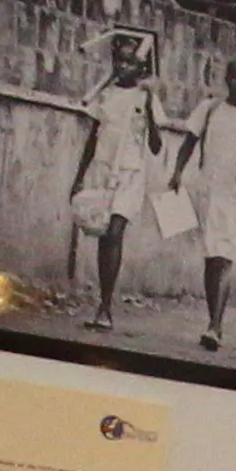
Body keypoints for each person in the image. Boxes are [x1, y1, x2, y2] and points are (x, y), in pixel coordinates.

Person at [67, 29, 164, 334]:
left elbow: (157, 147)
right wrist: (79, 178)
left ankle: (106, 307)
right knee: (103, 234)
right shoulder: (105, 95)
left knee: (116, 231)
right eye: (119, 62)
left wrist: (148, 108)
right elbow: (92, 141)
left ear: (142, 68)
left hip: (131, 175)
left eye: (130, 63)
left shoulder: (147, 98)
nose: (123, 67)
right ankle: (103, 304)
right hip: (102, 172)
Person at [181, 59, 236, 357]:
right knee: (212, 257)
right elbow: (189, 141)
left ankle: (215, 326)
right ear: (227, 79)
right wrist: (176, 173)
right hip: (210, 192)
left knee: (226, 257)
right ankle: (213, 321)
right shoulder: (210, 109)